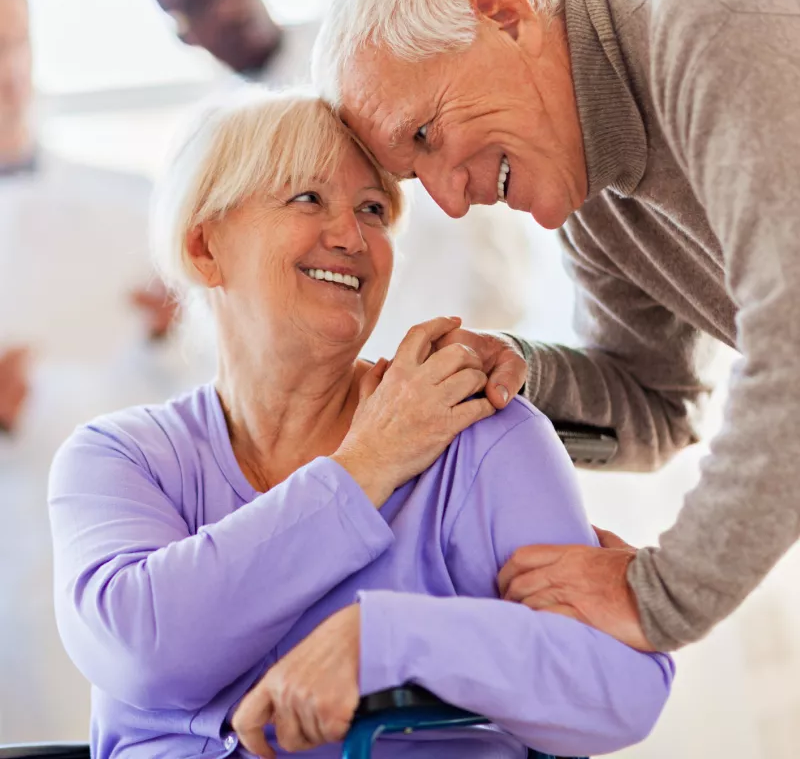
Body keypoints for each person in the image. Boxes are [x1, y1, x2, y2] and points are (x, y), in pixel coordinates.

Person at [49, 89, 673, 759]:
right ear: (205, 249)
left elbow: (620, 690)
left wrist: (387, 639)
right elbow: (143, 652)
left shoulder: (479, 436)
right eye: (307, 199)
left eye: (372, 210)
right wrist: (367, 465)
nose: (351, 237)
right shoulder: (120, 458)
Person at [310, 0, 800, 656]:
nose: (450, 200)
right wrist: (517, 372)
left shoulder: (712, 13)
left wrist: (661, 595)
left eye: (426, 135)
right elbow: (659, 407)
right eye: (416, 177)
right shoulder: (593, 202)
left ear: (504, 15)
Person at [0, 0, 202, 741]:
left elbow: (203, 387)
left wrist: (169, 333)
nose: (8, 73)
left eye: (16, 45)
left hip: (131, 535)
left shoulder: (129, 202)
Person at [149, 0, 532, 358]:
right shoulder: (217, 140)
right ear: (184, 33)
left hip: (461, 277)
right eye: (201, 2)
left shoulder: (358, 49)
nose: (228, 8)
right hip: (360, 335)